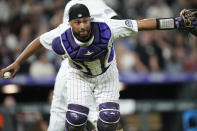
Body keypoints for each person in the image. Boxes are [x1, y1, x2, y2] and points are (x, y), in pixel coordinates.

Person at [0, 3, 196, 131]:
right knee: (75, 118)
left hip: (106, 74)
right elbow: (38, 42)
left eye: (85, 21)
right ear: (70, 23)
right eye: (78, 23)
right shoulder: (61, 35)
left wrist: (177, 22)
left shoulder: (106, 27)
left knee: (109, 119)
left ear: (90, 19)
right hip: (79, 76)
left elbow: (143, 24)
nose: (83, 26)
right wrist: (17, 62)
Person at [49, 0, 121, 131]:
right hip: (83, 65)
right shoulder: (91, 3)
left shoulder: (76, 4)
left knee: (60, 110)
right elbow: (116, 21)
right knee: (95, 113)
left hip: (75, 64)